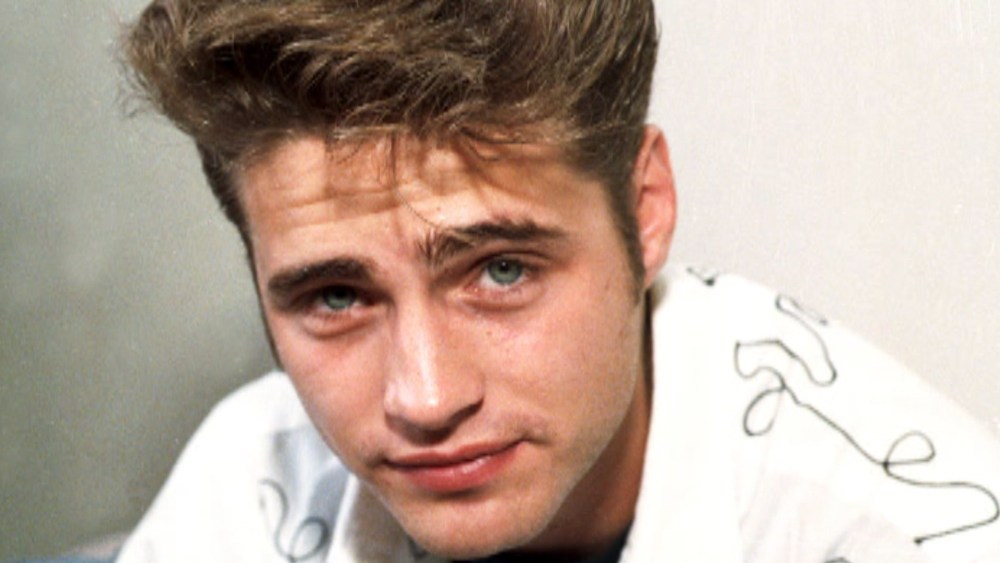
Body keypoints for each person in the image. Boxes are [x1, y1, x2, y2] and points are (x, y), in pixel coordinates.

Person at [115, 1, 1000, 561]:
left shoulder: (911, 531)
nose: (426, 397)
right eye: (336, 297)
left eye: (500, 270)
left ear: (644, 209)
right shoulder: (244, 485)